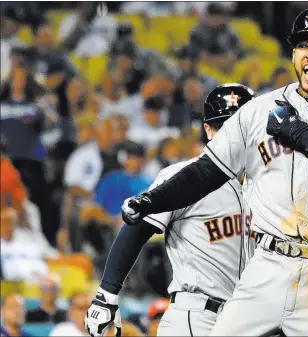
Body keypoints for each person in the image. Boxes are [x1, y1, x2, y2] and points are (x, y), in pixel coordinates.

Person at [121, 6, 308, 336]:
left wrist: (295, 132)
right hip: (270, 265)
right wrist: (153, 200)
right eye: (303, 45)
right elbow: (206, 172)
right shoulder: (260, 109)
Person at [84, 84, 256, 337]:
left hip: (249, 318)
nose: (233, 136)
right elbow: (137, 227)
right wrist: (107, 293)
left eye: (240, 126)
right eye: (223, 127)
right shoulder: (183, 177)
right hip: (198, 316)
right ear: (208, 131)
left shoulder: (268, 184)